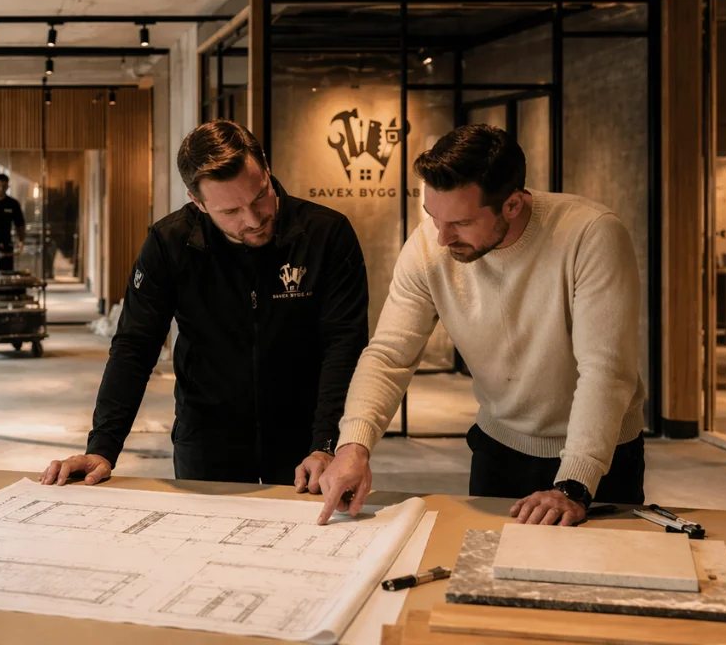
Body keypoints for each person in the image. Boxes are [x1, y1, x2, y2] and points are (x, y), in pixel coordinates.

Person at [315, 124, 645, 527]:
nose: (441, 238)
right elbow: (388, 355)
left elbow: (605, 370)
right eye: (433, 217)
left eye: (462, 223)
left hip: (600, 455)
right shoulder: (428, 249)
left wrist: (575, 482)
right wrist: (354, 445)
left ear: (512, 204)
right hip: (500, 447)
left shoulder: (590, 235)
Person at [41, 120, 369, 487]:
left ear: (266, 169)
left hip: (305, 439)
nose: (254, 219)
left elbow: (345, 344)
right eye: (230, 212)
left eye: (260, 195)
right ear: (197, 202)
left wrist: (327, 443)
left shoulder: (327, 234)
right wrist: (102, 446)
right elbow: (135, 346)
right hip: (207, 435)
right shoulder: (170, 243)